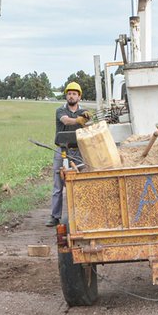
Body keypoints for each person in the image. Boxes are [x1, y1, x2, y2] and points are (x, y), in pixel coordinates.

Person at [48, 81, 90, 226]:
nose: (71, 96)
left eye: (74, 94)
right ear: (66, 96)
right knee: (58, 185)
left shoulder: (83, 112)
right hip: (62, 150)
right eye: (69, 94)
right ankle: (55, 216)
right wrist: (78, 120)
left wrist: (88, 119)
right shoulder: (60, 110)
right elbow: (65, 121)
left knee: (79, 183)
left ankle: (82, 215)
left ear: (79, 97)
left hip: (78, 151)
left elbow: (90, 127)